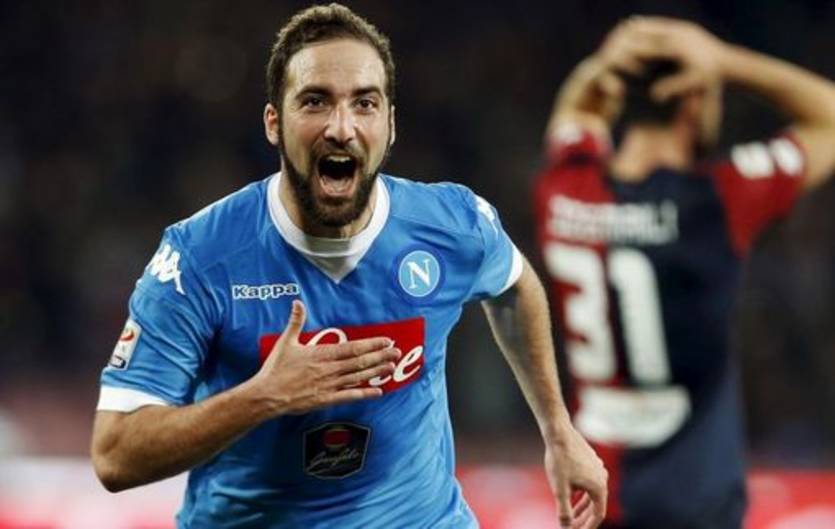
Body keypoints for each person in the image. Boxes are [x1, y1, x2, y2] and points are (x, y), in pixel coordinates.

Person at [91, 4, 607, 528]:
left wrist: (558, 429)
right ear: (274, 123)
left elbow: (514, 286)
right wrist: (261, 397)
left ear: (390, 124)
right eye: (315, 101)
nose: (342, 128)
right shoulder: (200, 258)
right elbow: (115, 454)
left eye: (364, 103)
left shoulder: (453, 224)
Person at [532, 16, 835, 529]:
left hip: (593, 499)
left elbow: (579, 110)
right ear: (695, 99)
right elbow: (829, 117)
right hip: (694, 503)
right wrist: (727, 60)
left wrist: (606, 64)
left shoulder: (564, 190)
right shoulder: (717, 200)